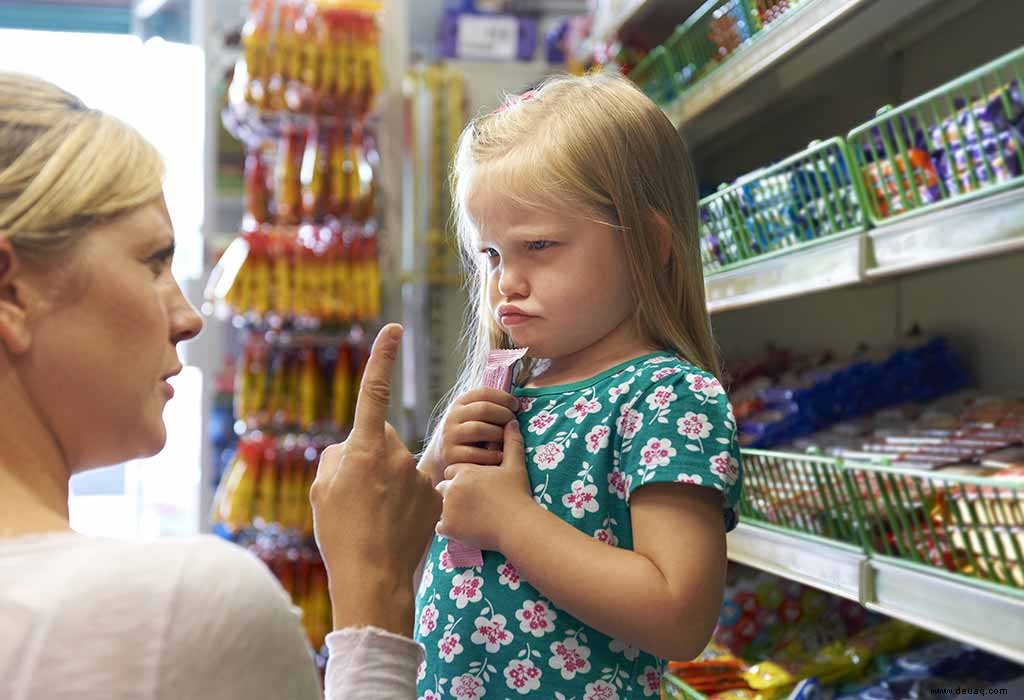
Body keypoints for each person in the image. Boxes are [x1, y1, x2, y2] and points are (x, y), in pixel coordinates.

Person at [0, 71, 439, 699]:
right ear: (11, 292)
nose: (188, 318)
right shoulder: (176, 608)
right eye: (153, 262)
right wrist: (378, 589)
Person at [414, 73, 743, 699]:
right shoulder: (513, 390)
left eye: (538, 245)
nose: (506, 282)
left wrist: (511, 522)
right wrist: (433, 467)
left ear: (648, 243)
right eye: (490, 255)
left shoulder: (667, 396)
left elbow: (680, 614)